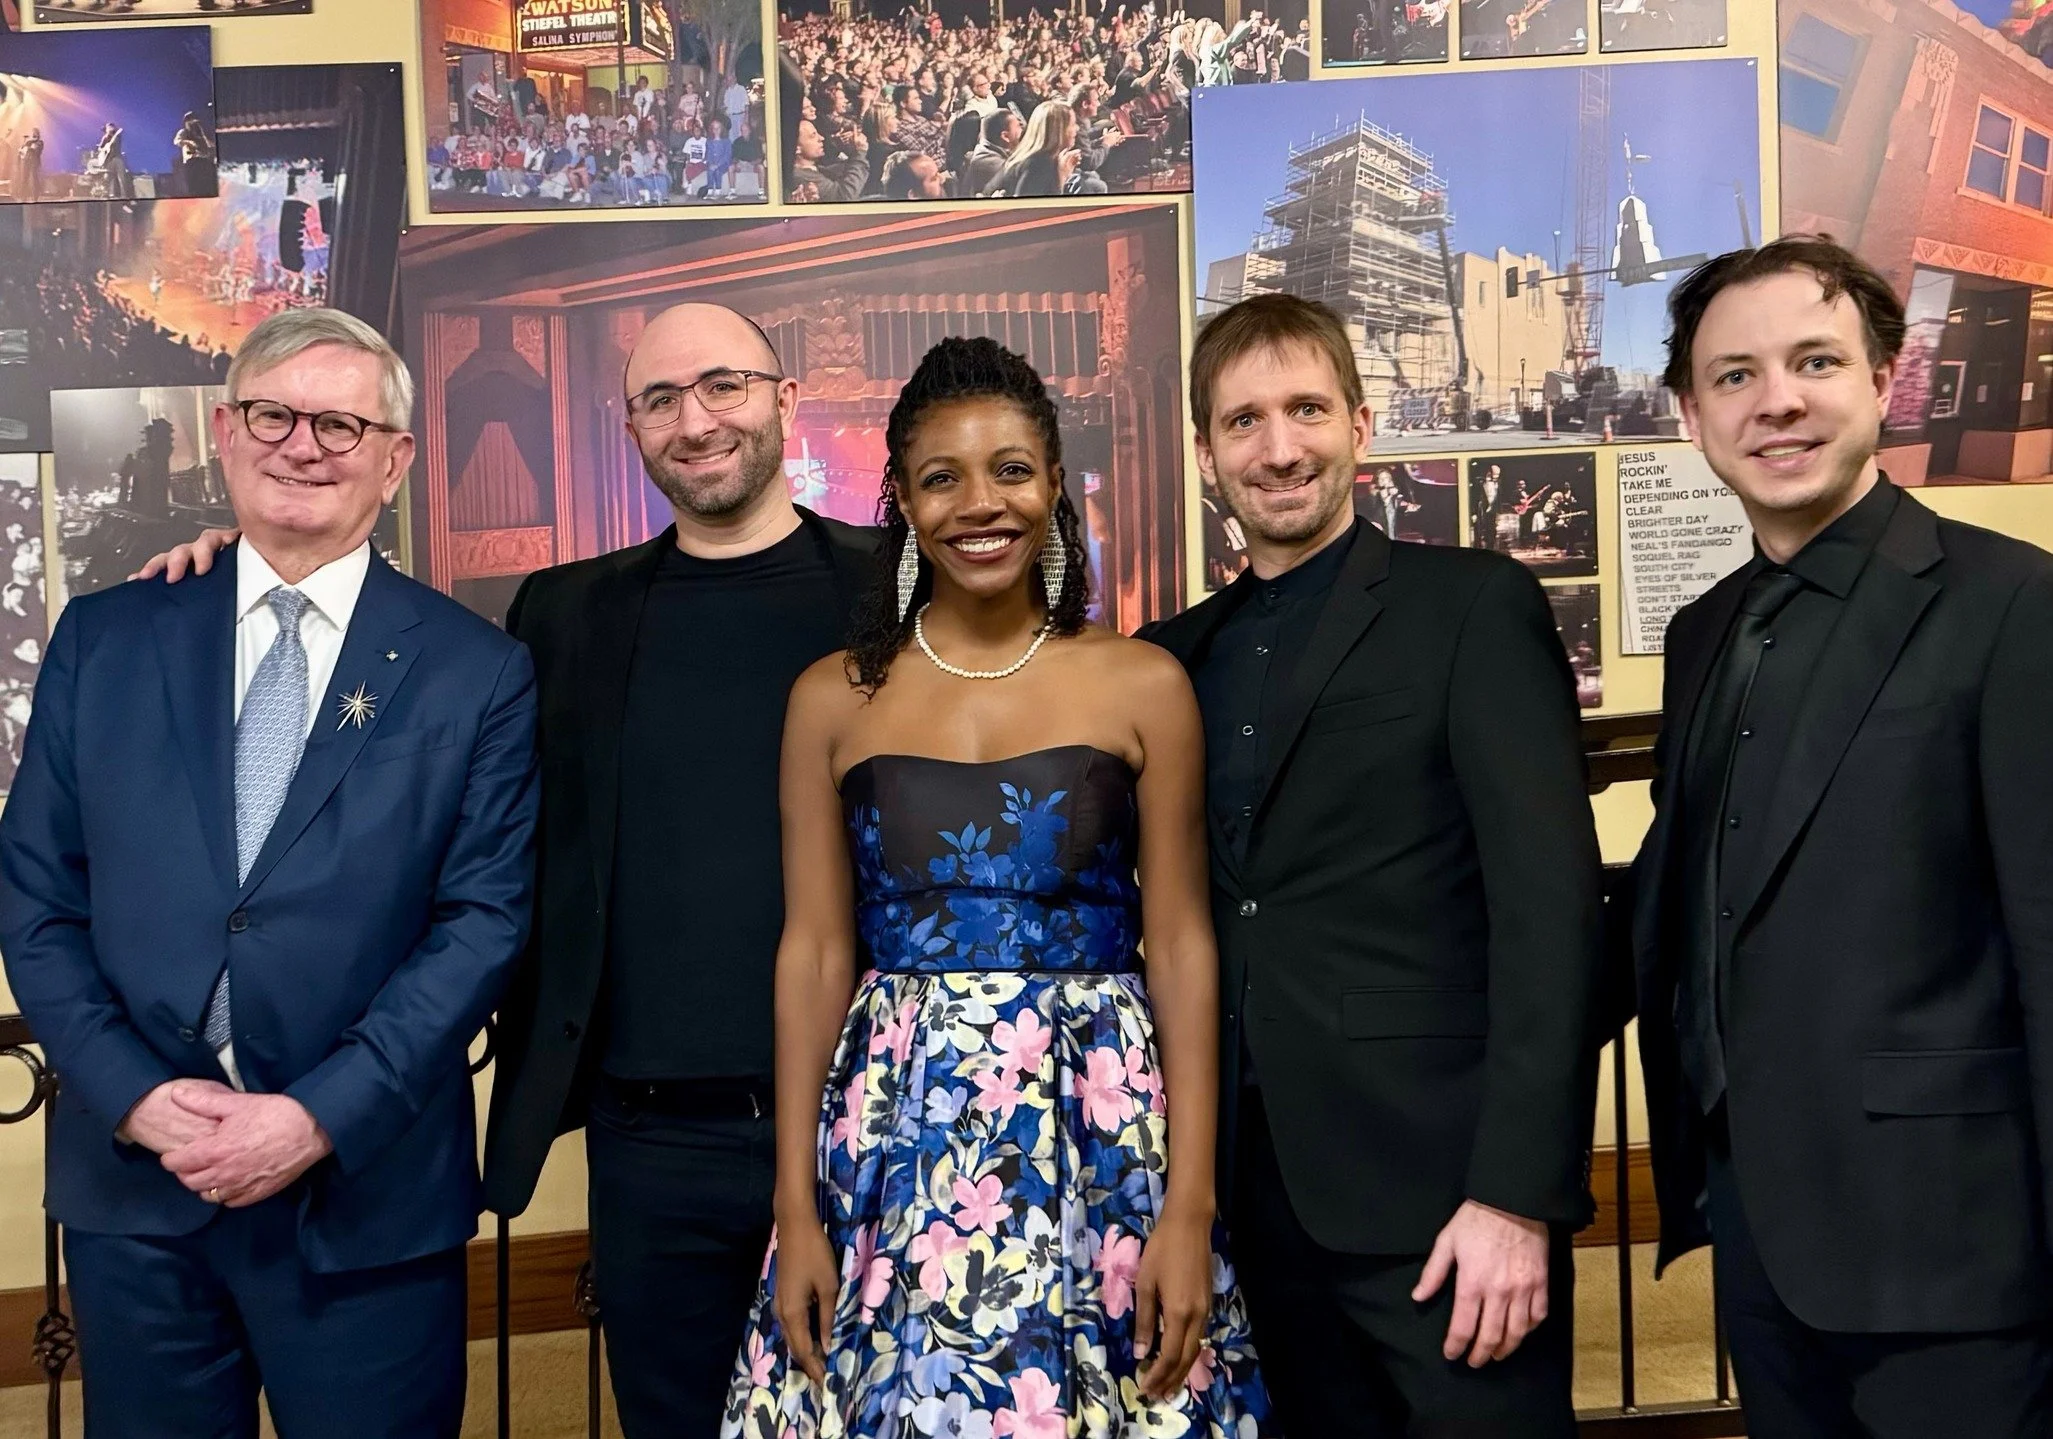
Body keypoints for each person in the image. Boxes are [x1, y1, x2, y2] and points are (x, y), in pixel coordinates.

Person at [138, 304, 880, 1437]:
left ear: (785, 399)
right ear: (628, 427)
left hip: (867, 1112)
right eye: (661, 399)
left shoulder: (895, 588)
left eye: (724, 386)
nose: (697, 420)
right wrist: (232, 577)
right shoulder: (563, 611)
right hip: (650, 1133)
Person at [0, 307, 540, 1436]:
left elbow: (482, 921)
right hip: (138, 1190)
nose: (304, 445)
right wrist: (139, 1098)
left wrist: (312, 1117)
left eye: (342, 423)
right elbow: (38, 898)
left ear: (393, 459)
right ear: (225, 431)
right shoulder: (107, 635)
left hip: (364, 1195)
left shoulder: (477, 670)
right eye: (274, 414)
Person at [718, 336, 1269, 1435]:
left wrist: (1188, 1204)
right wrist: (796, 1202)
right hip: (895, 1140)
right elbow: (816, 952)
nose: (983, 503)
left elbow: (1185, 943)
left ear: (1055, 483)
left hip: (1102, 1124)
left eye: (1012, 469)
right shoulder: (833, 698)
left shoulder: (1142, 683)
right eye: (943, 476)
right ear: (904, 502)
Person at [1141, 293, 1602, 1436]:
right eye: (1243, 421)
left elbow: (1551, 914)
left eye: (1305, 409)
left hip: (1444, 1198)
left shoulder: (1468, 606)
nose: (1279, 446)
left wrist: (1517, 1192)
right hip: (1245, 1203)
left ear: (1360, 423)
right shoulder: (1166, 660)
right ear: (1207, 453)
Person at [1633, 235, 2053, 1435]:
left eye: (1813, 360)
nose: (1776, 400)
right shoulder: (1706, 630)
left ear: (1884, 378)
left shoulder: (2010, 606)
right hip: (1762, 1241)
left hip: (1956, 1257)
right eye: (1734, 375)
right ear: (1691, 415)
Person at [958, 108, 1018, 197]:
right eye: (1018, 126)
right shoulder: (991, 164)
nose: (1023, 129)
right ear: (1005, 136)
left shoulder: (990, 148)